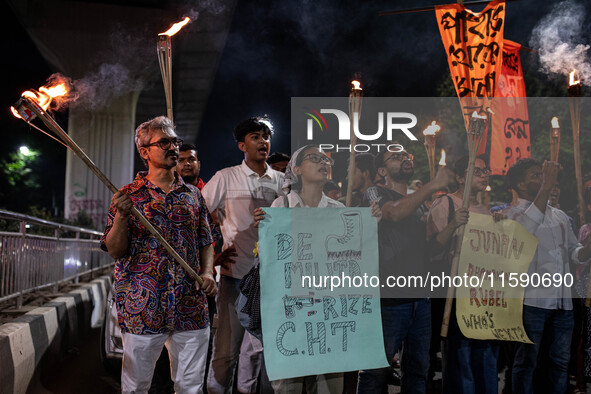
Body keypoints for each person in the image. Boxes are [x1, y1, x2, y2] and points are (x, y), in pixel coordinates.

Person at [101, 116, 218, 394]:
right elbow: (115, 250)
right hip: (143, 309)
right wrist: (121, 216)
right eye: (164, 142)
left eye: (175, 141)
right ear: (144, 151)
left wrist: (206, 272)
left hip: (190, 305)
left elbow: (206, 241)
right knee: (136, 386)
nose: (173, 147)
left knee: (190, 386)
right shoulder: (126, 195)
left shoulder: (193, 195)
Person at [357, 148, 455, 394]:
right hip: (388, 298)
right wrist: (433, 185)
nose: (405, 158)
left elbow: (431, 249)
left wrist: (454, 225)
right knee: (376, 370)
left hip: (420, 299)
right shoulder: (375, 192)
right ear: (381, 170)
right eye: (396, 157)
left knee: (418, 369)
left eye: (407, 155)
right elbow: (393, 212)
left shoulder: (419, 204)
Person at [202, 116, 284, 394]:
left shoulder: (283, 182)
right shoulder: (226, 178)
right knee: (226, 351)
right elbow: (198, 216)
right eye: (255, 137)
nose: (263, 142)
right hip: (236, 278)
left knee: (272, 351)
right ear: (241, 145)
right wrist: (213, 256)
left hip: (275, 281)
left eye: (265, 136)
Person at [502, 159, 591, 394]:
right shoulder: (511, 214)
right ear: (520, 184)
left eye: (544, 175)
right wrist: (547, 185)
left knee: (559, 364)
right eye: (536, 176)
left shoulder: (560, 216)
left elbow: (575, 254)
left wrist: (588, 246)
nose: (543, 179)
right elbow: (526, 232)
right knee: (525, 363)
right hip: (531, 303)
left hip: (563, 304)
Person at [426, 155, 500, 394]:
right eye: (477, 171)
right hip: (455, 294)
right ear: (460, 177)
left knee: (484, 356)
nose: (484, 174)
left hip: (482, 294)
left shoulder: (486, 210)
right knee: (461, 358)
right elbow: (431, 248)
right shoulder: (446, 204)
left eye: (485, 170)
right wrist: (453, 225)